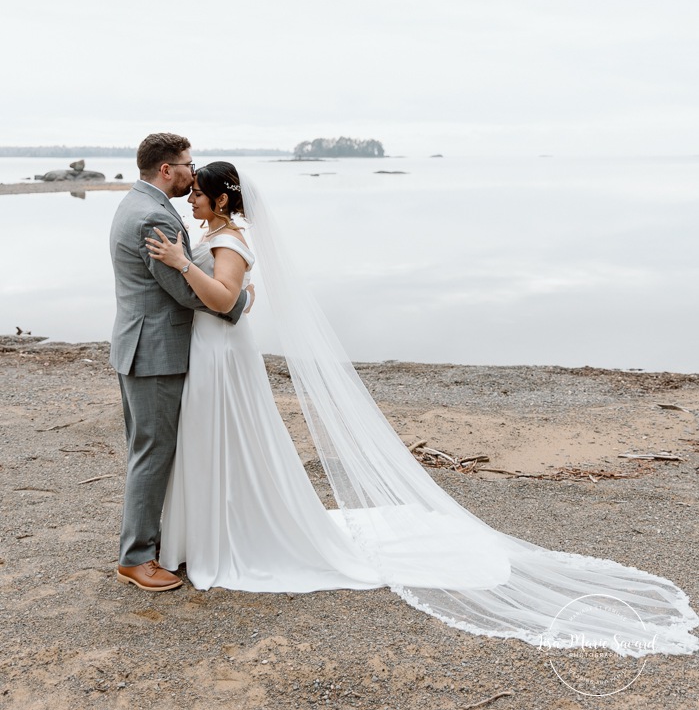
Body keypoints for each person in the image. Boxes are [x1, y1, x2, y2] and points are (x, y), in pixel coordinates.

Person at [146, 161, 699, 656]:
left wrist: (178, 261)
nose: (189, 199)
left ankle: (234, 535)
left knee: (227, 436)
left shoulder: (227, 242)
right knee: (212, 438)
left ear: (220, 199)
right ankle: (214, 531)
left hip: (222, 353)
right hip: (215, 351)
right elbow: (237, 299)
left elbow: (222, 302)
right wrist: (219, 284)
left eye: (196, 193)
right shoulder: (223, 236)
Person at [109, 134, 252, 592]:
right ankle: (135, 559)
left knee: (147, 449)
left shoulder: (136, 201)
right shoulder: (152, 215)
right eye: (187, 166)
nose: (194, 173)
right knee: (153, 453)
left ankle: (152, 544)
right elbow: (185, 292)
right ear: (166, 170)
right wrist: (238, 301)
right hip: (155, 352)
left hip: (140, 345)